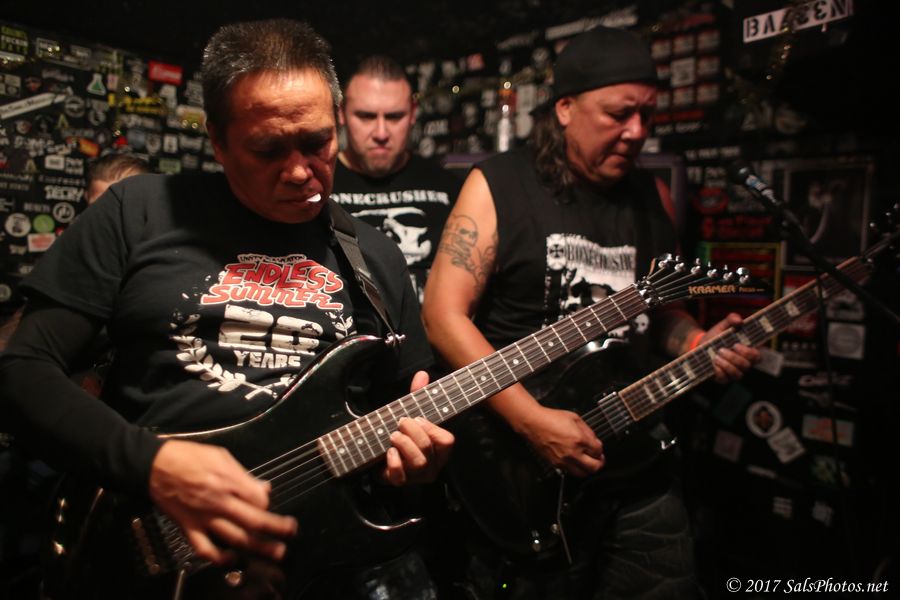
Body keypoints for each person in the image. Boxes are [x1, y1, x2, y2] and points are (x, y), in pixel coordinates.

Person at [0, 19, 453, 599]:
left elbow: (401, 417)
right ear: (217, 141)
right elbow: (21, 372)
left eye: (317, 142)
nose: (299, 170)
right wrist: (154, 465)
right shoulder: (138, 212)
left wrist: (416, 462)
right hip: (141, 547)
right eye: (268, 149)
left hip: (317, 563)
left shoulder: (376, 258)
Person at [422, 26, 760, 599]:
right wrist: (531, 421)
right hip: (525, 465)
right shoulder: (499, 184)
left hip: (637, 459)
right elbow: (442, 317)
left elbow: (662, 316)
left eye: (647, 115)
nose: (637, 131)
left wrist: (696, 343)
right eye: (619, 114)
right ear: (565, 108)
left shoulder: (652, 198)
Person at [331, 55, 461, 302]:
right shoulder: (318, 188)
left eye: (394, 117)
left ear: (413, 114)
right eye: (366, 116)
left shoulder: (449, 189)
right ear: (341, 113)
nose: (381, 133)